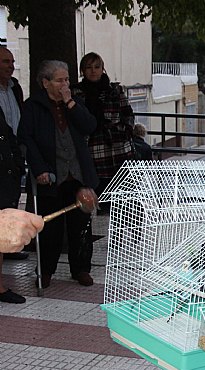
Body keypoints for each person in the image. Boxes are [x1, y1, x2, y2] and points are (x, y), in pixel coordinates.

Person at [18, 60, 98, 289]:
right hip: (50, 175)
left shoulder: (74, 102)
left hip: (78, 174)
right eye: (60, 80)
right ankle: (45, 270)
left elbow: (90, 126)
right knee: (50, 227)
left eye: (67, 80)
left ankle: (81, 268)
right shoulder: (33, 106)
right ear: (46, 83)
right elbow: (26, 139)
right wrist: (39, 168)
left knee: (81, 225)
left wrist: (70, 102)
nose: (65, 84)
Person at [71, 52, 135, 199]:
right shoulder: (76, 92)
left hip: (118, 148)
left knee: (122, 195)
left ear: (102, 69)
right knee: (97, 194)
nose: (93, 71)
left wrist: (125, 131)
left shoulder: (114, 90)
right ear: (83, 70)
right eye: (89, 67)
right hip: (92, 148)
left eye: (97, 67)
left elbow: (128, 114)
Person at [0, 46, 27, 303]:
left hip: (13, 152)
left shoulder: (14, 88)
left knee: (9, 208)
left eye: (12, 61)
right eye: (6, 61)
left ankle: (7, 246)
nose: (11, 66)